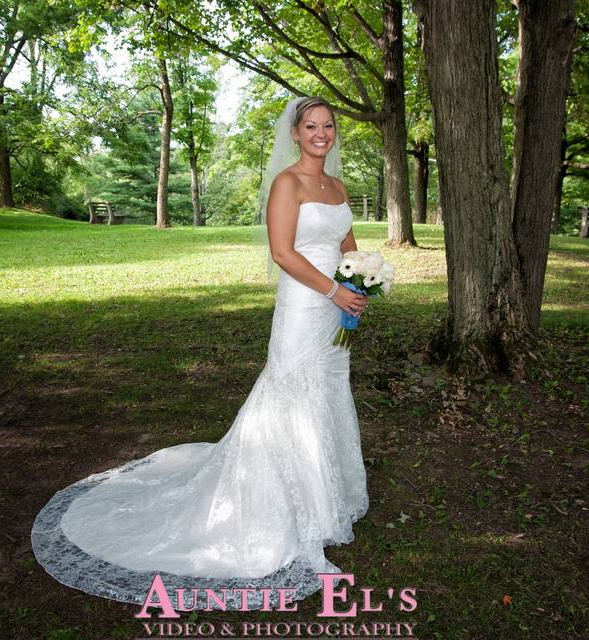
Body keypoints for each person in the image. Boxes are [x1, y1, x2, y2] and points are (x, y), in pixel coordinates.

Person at [31, 96, 370, 611]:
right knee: (290, 389)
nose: (321, 133)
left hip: (335, 307)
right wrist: (333, 290)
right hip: (305, 303)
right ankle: (279, 509)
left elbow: (347, 242)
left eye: (328, 126)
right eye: (311, 126)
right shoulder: (288, 183)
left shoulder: (337, 187)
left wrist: (361, 278)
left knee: (326, 391)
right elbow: (282, 252)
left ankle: (327, 503)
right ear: (296, 133)